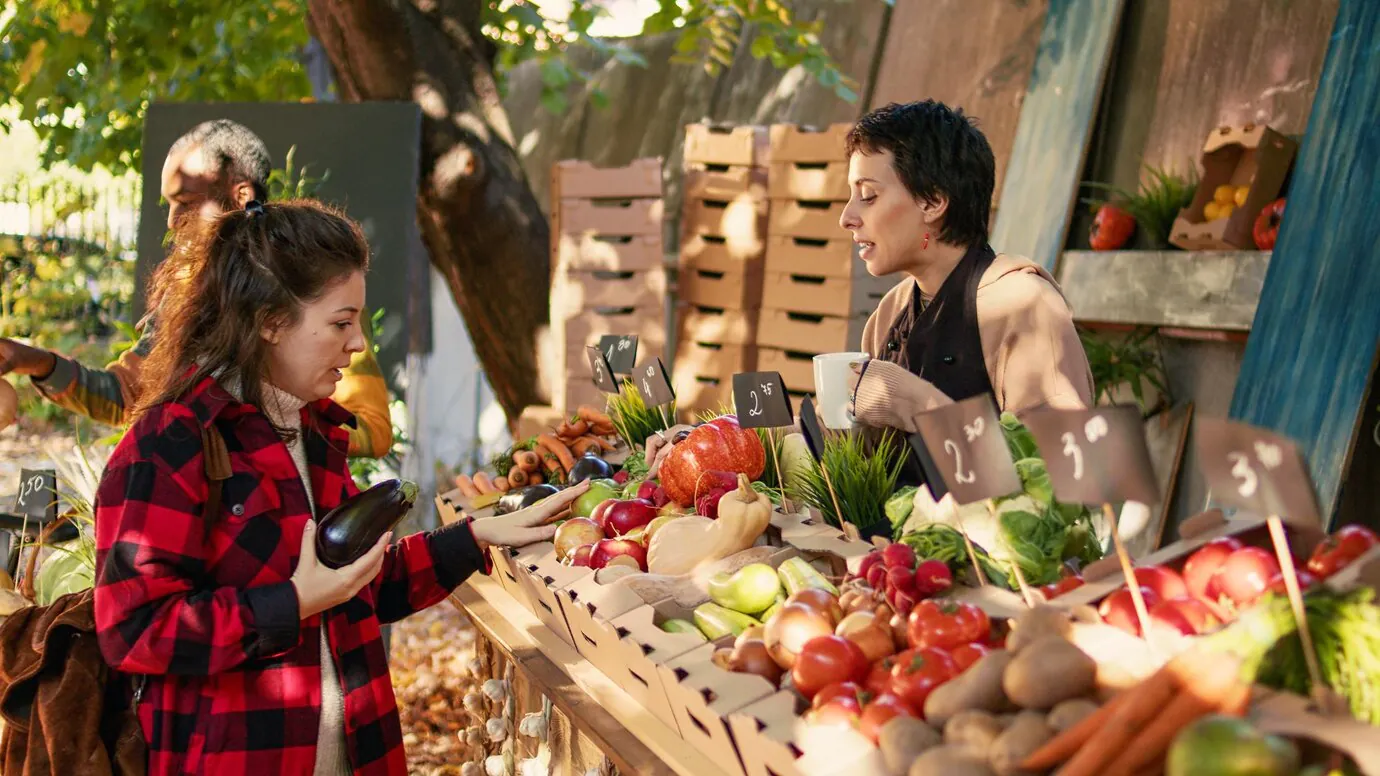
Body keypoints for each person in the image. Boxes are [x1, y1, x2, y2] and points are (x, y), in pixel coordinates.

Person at [91, 200, 589, 775]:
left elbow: (357, 586)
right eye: (340, 322)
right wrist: (292, 602)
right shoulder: (173, 442)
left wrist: (475, 536)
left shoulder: (315, 430)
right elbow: (135, 632)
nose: (358, 344)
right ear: (271, 321)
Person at [0, 119, 393, 458]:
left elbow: (372, 429)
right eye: (168, 203)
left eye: (185, 200)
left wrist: (265, 431)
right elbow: (129, 395)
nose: (172, 221)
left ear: (241, 195)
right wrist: (34, 361)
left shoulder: (307, 283)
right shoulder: (185, 292)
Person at [840, 100, 1093, 431]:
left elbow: (1058, 466)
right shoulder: (891, 312)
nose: (847, 218)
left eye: (869, 195)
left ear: (932, 201)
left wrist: (917, 405)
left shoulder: (1024, 307)